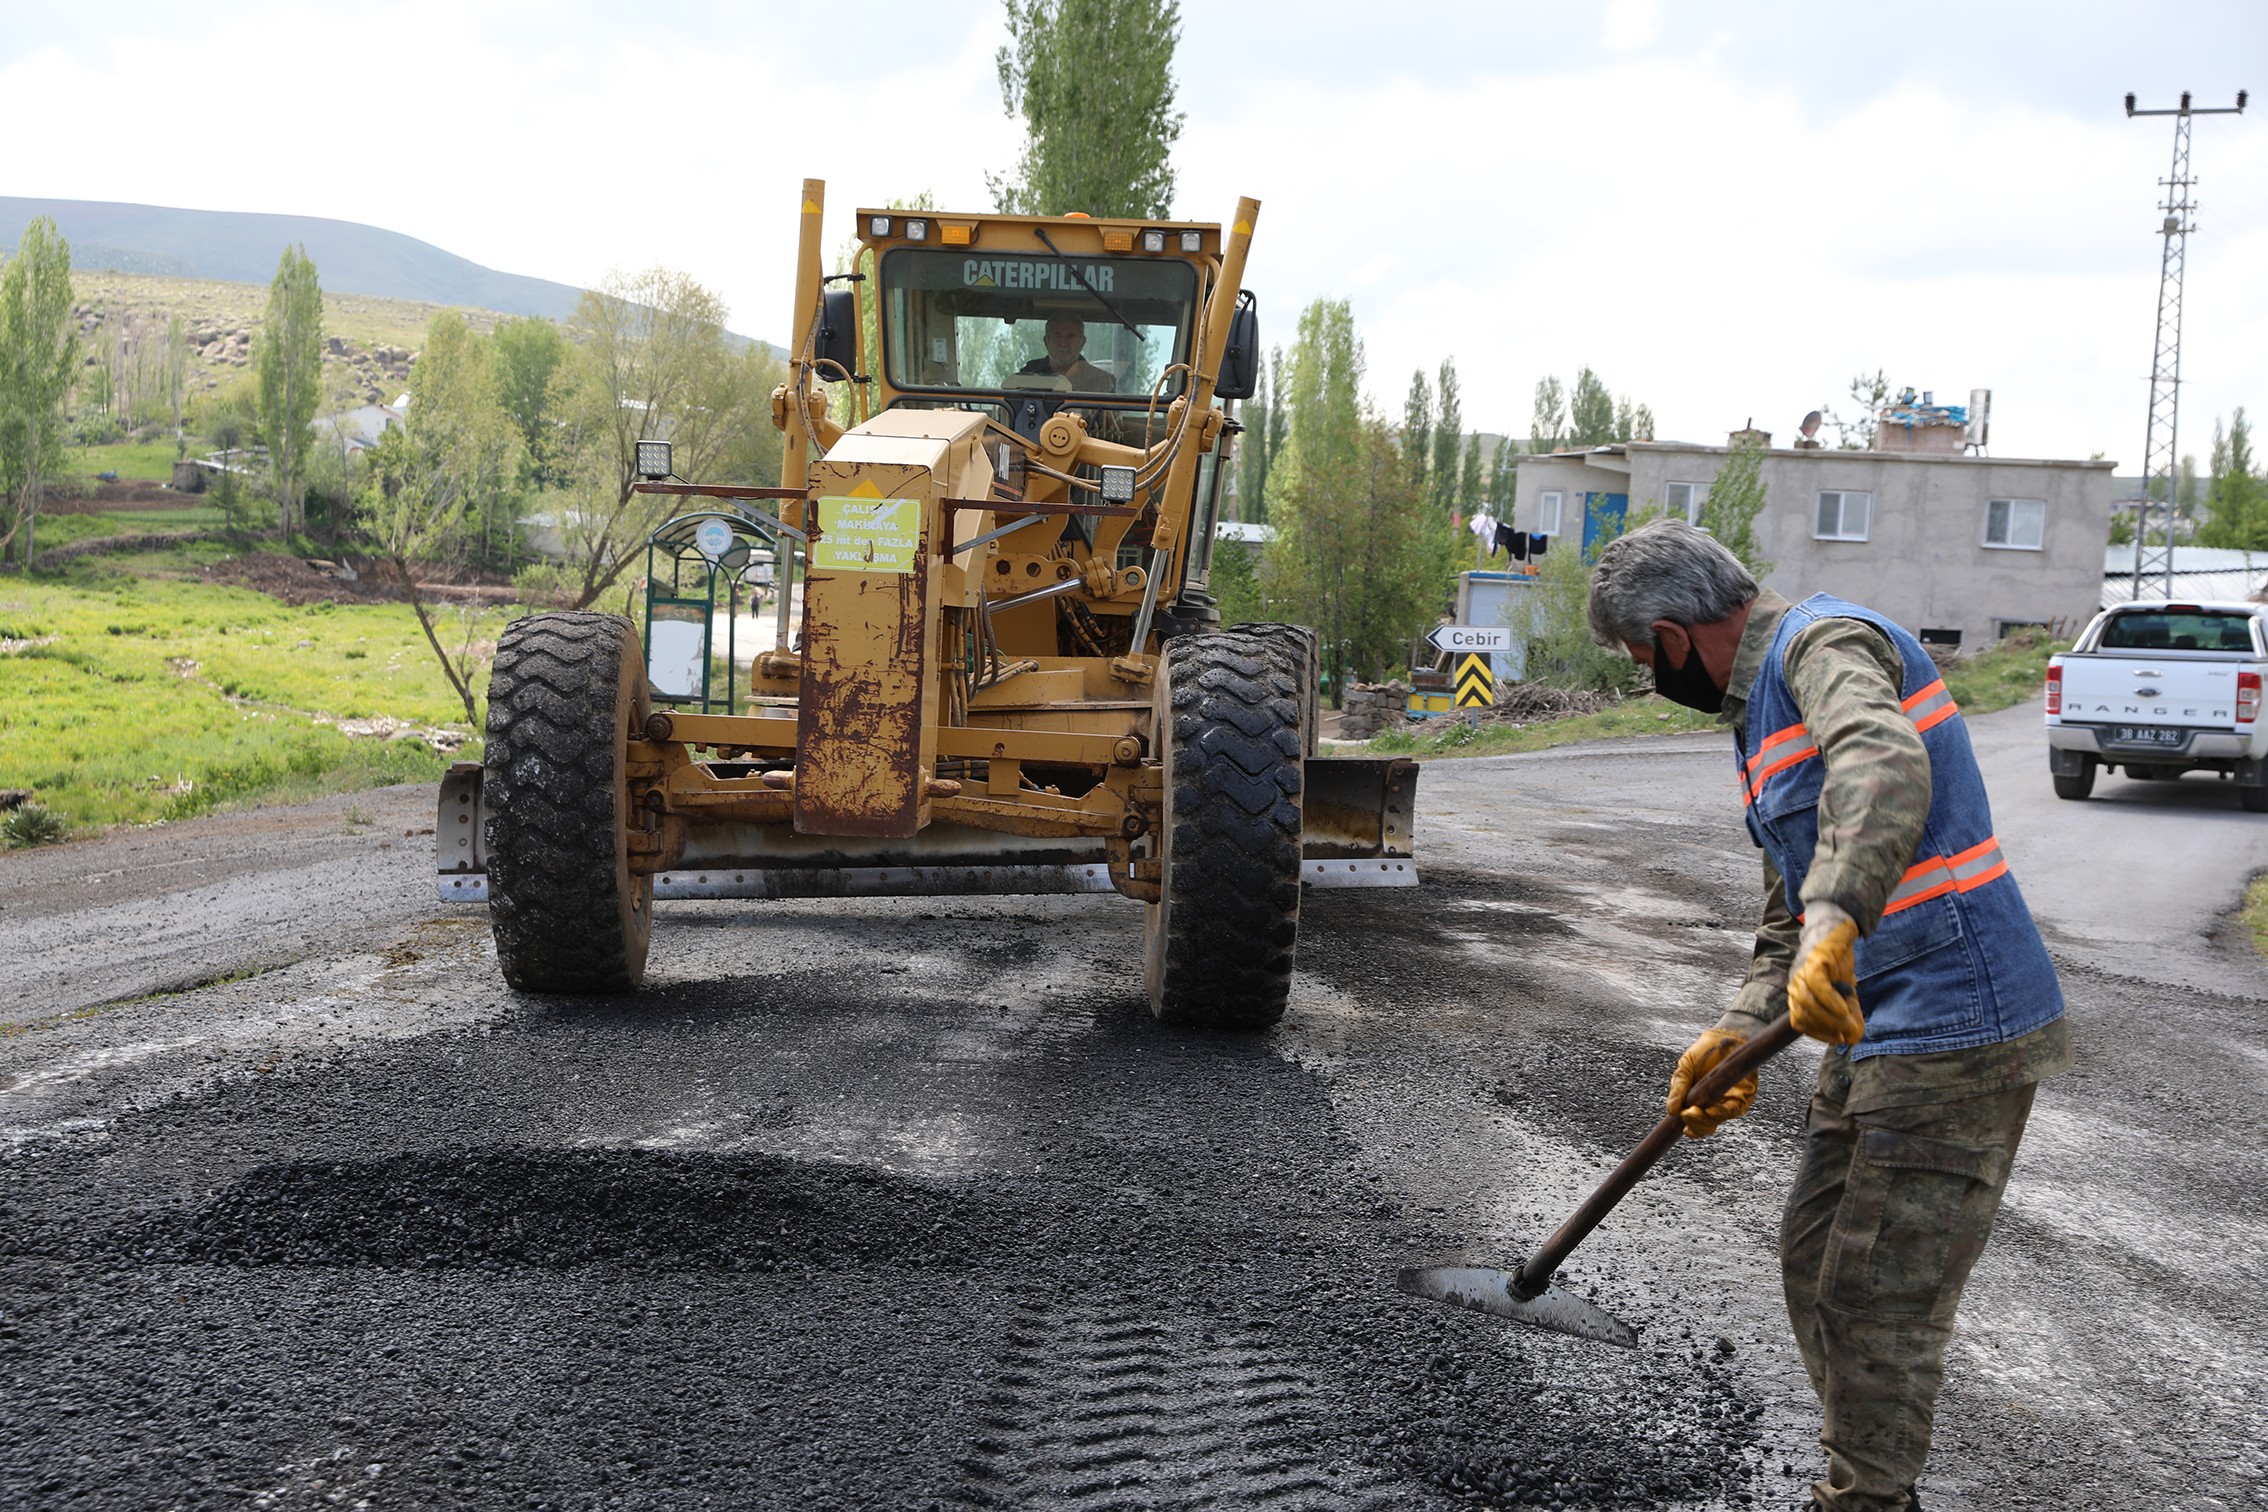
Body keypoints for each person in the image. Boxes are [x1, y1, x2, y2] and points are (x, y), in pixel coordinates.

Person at [1584, 520, 2070, 1512]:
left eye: (1642, 662)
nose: (1652, 680)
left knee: (1875, 1295)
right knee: (1815, 1259)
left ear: (1672, 637)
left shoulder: (1822, 645)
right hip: (1876, 1027)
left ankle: (1868, 1498)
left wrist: (1839, 914)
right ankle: (1870, 1473)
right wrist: (1736, 1029)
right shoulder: (1760, 716)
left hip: (1959, 1021)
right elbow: (1786, 921)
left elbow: (1882, 763)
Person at [1018, 315, 1115, 392]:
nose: (1063, 343)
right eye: (1057, 336)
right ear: (1046, 341)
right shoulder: (1028, 374)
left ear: (1082, 342)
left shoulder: (1101, 382)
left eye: (1071, 336)